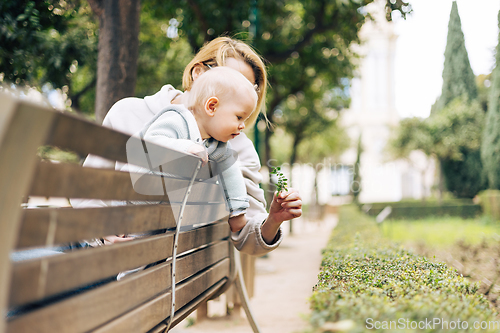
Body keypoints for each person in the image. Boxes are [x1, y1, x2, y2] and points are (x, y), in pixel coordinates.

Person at [73, 36, 302, 255]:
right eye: (229, 79)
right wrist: (101, 231)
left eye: (248, 88)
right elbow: (86, 193)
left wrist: (273, 220)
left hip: (137, 276)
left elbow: (246, 234)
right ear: (198, 72)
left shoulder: (236, 149)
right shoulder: (128, 112)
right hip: (97, 248)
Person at [138, 66, 258, 232]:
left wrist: (238, 212)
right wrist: (186, 147)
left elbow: (231, 174)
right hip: (132, 203)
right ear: (212, 107)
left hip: (161, 216)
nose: (243, 125)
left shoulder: (218, 146)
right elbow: (150, 143)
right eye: (239, 117)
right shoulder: (177, 120)